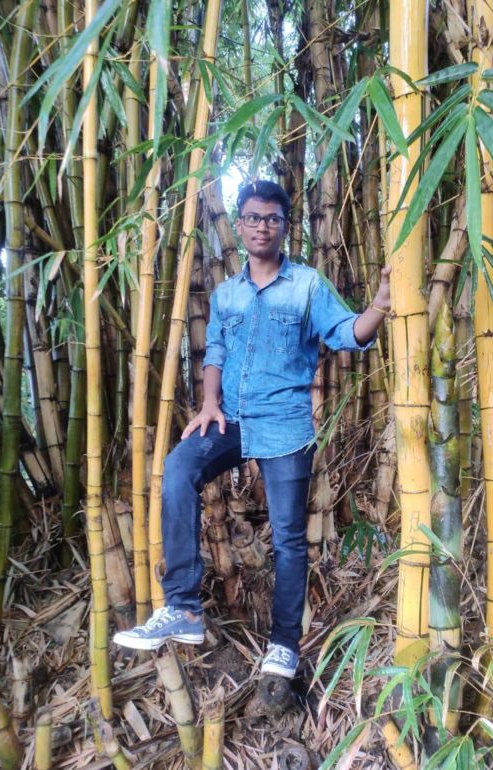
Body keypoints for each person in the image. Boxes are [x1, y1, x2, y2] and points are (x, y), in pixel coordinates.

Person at [114, 180, 391, 678]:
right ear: (239, 224)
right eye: (253, 217)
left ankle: (283, 646)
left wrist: (382, 304)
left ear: (285, 227)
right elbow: (215, 351)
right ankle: (183, 608)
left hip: (285, 427)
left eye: (272, 219)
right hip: (233, 419)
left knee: (288, 539)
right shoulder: (227, 294)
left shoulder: (307, 285)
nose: (262, 226)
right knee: (178, 468)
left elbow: (347, 333)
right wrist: (208, 404)